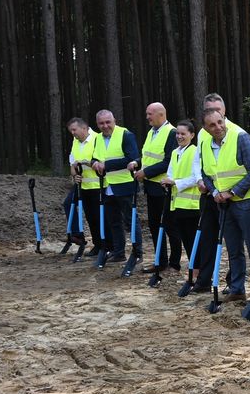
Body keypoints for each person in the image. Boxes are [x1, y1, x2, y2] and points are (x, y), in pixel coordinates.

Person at [200, 107, 250, 303]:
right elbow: (206, 174)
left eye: (220, 122)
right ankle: (237, 289)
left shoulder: (241, 137)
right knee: (233, 249)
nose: (218, 127)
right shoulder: (204, 144)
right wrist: (214, 192)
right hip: (224, 205)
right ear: (205, 128)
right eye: (212, 124)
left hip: (247, 203)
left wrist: (232, 192)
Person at [190, 93, 246, 293]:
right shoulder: (204, 133)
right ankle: (204, 280)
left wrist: (229, 191)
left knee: (232, 243)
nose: (214, 115)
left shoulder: (237, 133)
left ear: (224, 111)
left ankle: (234, 283)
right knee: (208, 237)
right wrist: (199, 179)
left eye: (218, 110)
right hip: (209, 194)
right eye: (209, 110)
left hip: (231, 197)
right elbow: (199, 160)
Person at [90, 109, 141, 263]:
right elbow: (94, 157)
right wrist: (94, 163)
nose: (105, 126)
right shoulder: (98, 138)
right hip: (107, 185)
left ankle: (137, 252)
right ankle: (118, 252)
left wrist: (106, 165)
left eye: (108, 122)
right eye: (101, 123)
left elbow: (132, 158)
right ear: (97, 124)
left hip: (125, 184)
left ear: (114, 121)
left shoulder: (126, 135)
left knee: (130, 220)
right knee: (113, 221)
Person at [135, 102, 178, 273]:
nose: (147, 117)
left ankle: (174, 263)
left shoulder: (172, 133)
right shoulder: (152, 132)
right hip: (151, 187)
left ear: (161, 114)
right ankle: (160, 261)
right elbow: (148, 157)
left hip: (164, 188)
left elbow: (168, 162)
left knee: (170, 226)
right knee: (154, 225)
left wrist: (145, 173)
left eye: (150, 114)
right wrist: (137, 163)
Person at [161, 119, 202, 284]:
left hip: (191, 205)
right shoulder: (175, 152)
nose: (179, 136)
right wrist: (167, 181)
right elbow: (171, 173)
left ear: (192, 135)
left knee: (193, 240)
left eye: (183, 133)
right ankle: (193, 269)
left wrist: (175, 183)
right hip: (176, 203)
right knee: (185, 239)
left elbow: (195, 177)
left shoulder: (195, 152)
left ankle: (196, 271)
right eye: (177, 133)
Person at [66, 117, 98, 252]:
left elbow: (100, 162)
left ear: (84, 128)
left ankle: (104, 244)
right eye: (70, 131)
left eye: (74, 130)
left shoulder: (97, 139)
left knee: (97, 216)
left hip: (97, 184)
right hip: (82, 183)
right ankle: (78, 235)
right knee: (69, 204)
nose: (72, 133)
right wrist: (75, 175)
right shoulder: (75, 141)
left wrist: (85, 163)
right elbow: (72, 163)